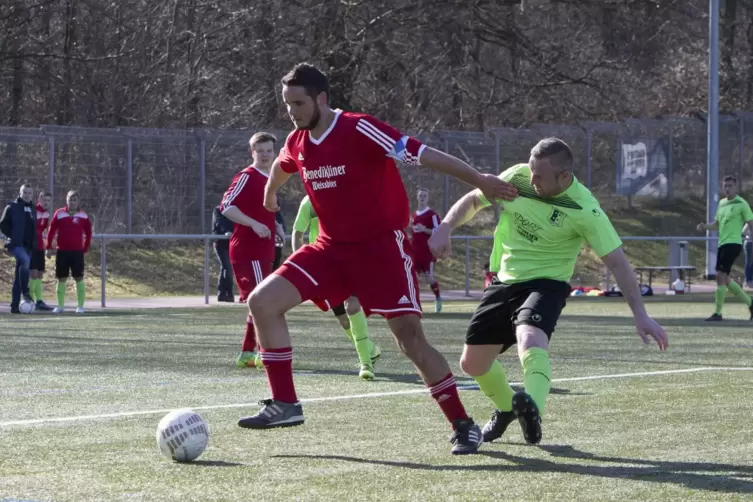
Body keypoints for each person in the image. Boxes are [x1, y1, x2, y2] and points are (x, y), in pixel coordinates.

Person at [237, 62, 517, 455]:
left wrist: (480, 180)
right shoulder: (297, 140)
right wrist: (269, 198)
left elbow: (422, 153)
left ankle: (463, 423)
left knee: (411, 341)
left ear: (321, 99)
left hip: (380, 250)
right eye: (287, 105)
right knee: (262, 302)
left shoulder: (358, 128)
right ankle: (285, 404)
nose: (292, 112)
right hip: (330, 250)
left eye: (298, 103)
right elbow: (283, 167)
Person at [429, 138, 669, 446]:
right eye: (530, 171)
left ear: (564, 177)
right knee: (472, 364)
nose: (531, 181)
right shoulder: (517, 178)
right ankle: (506, 409)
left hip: (548, 283)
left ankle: (533, 409)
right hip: (505, 280)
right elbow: (475, 200)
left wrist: (641, 315)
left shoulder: (585, 209)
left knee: (529, 336)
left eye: (539, 176)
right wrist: (445, 227)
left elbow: (619, 264)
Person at [291, 194, 381, 380]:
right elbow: (297, 233)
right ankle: (370, 349)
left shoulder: (348, 195)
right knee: (343, 320)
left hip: (351, 260)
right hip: (324, 265)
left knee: (353, 305)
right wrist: (300, 260)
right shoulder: (309, 202)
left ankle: (365, 363)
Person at [221, 131, 278, 369]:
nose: (265, 155)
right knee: (263, 301)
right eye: (260, 151)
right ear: (252, 153)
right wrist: (254, 224)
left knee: (260, 302)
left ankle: (247, 352)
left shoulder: (271, 177)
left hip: (264, 250)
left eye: (269, 151)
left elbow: (265, 211)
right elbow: (226, 206)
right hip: (248, 250)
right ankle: (263, 352)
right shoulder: (247, 176)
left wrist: (278, 228)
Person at [696, 175, 753, 321]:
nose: (727, 188)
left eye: (730, 186)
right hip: (723, 244)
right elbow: (717, 224)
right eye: (725, 186)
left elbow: (751, 223)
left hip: (733, 244)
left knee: (720, 276)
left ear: (736, 187)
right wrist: (705, 226)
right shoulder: (722, 203)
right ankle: (750, 303)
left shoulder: (742, 203)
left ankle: (718, 313)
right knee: (725, 279)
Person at [46, 190, 92, 314]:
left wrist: (85, 247)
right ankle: (60, 306)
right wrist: (49, 246)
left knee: (79, 278)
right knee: (61, 278)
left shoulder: (83, 215)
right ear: (67, 200)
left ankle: (80, 306)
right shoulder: (59, 213)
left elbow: (88, 233)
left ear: (78, 202)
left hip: (77, 252)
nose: (72, 202)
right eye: (70, 199)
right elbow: (51, 231)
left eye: (75, 200)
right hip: (62, 251)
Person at [0, 184, 37, 313]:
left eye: (29, 193)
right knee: (26, 261)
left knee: (19, 274)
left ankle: (14, 305)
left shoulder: (32, 208)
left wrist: (34, 243)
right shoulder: (12, 207)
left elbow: (33, 228)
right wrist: (13, 236)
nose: (27, 195)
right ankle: (25, 292)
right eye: (25, 192)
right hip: (15, 245)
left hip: (28, 246)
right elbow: (2, 225)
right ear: (20, 193)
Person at [411, 188, 443, 312]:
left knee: (429, 278)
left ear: (428, 198)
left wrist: (425, 229)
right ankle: (415, 304)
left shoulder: (432, 214)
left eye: (425, 196)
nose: (422, 198)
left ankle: (438, 298)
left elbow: (438, 231)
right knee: (412, 277)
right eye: (420, 196)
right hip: (415, 251)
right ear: (417, 197)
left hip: (427, 251)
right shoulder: (414, 214)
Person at [30, 191, 53, 311]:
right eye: (44, 200)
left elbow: (45, 232)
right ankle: (30, 300)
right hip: (31, 246)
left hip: (40, 247)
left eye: (49, 200)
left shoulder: (46, 214)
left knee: (39, 275)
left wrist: (47, 247)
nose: (46, 202)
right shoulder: (33, 211)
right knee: (33, 274)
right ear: (39, 199)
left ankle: (39, 301)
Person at [212, 204, 235, 302]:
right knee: (227, 266)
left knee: (225, 267)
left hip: (232, 243)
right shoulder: (218, 209)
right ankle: (228, 292)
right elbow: (219, 222)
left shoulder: (235, 210)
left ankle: (222, 293)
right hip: (221, 242)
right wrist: (226, 231)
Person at [743, 222, 753, 289]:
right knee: (749, 261)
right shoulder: (750, 221)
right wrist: (751, 234)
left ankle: (751, 279)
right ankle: (748, 280)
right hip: (749, 243)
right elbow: (743, 232)